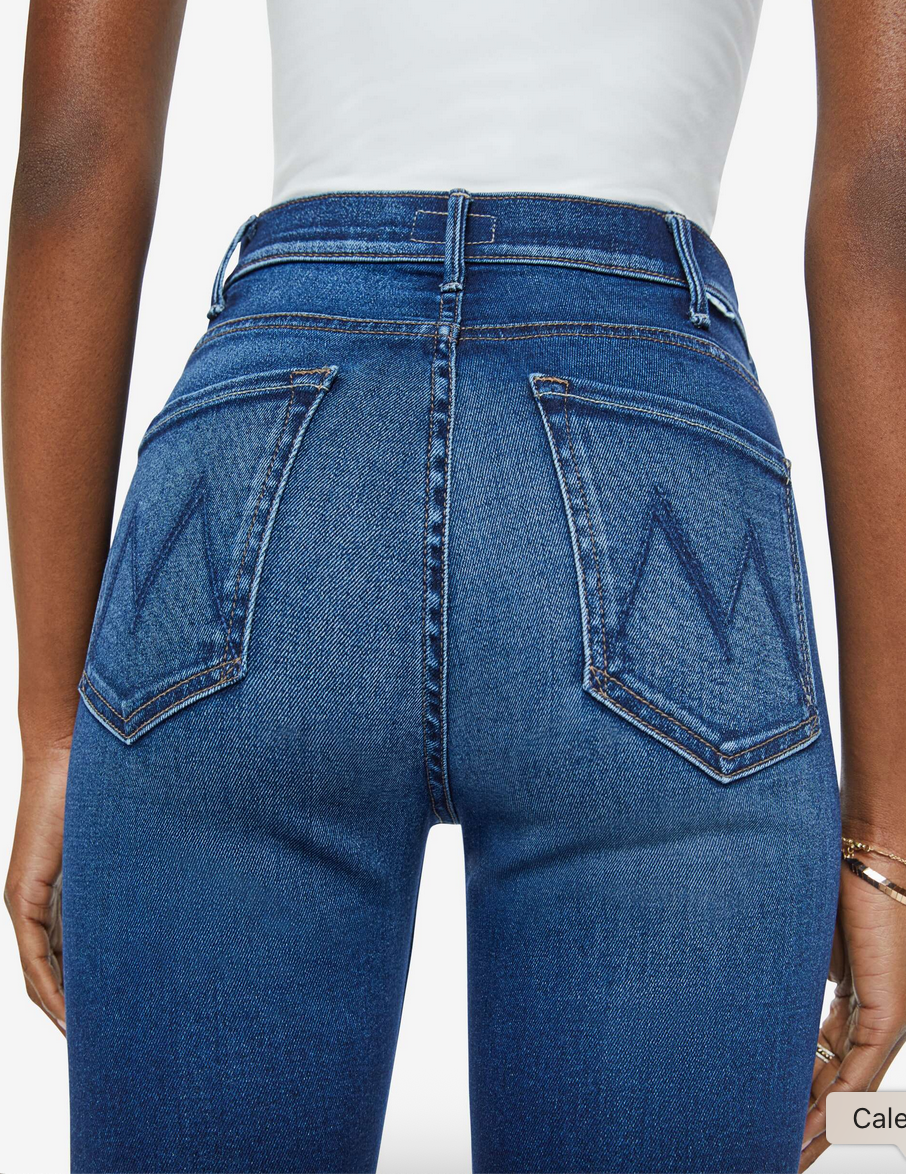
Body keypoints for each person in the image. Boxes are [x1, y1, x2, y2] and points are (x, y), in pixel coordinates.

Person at [4, 1, 906, 1171]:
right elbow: (884, 197)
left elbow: (74, 153)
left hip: (272, 457)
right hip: (654, 471)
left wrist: (52, 733)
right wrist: (886, 837)